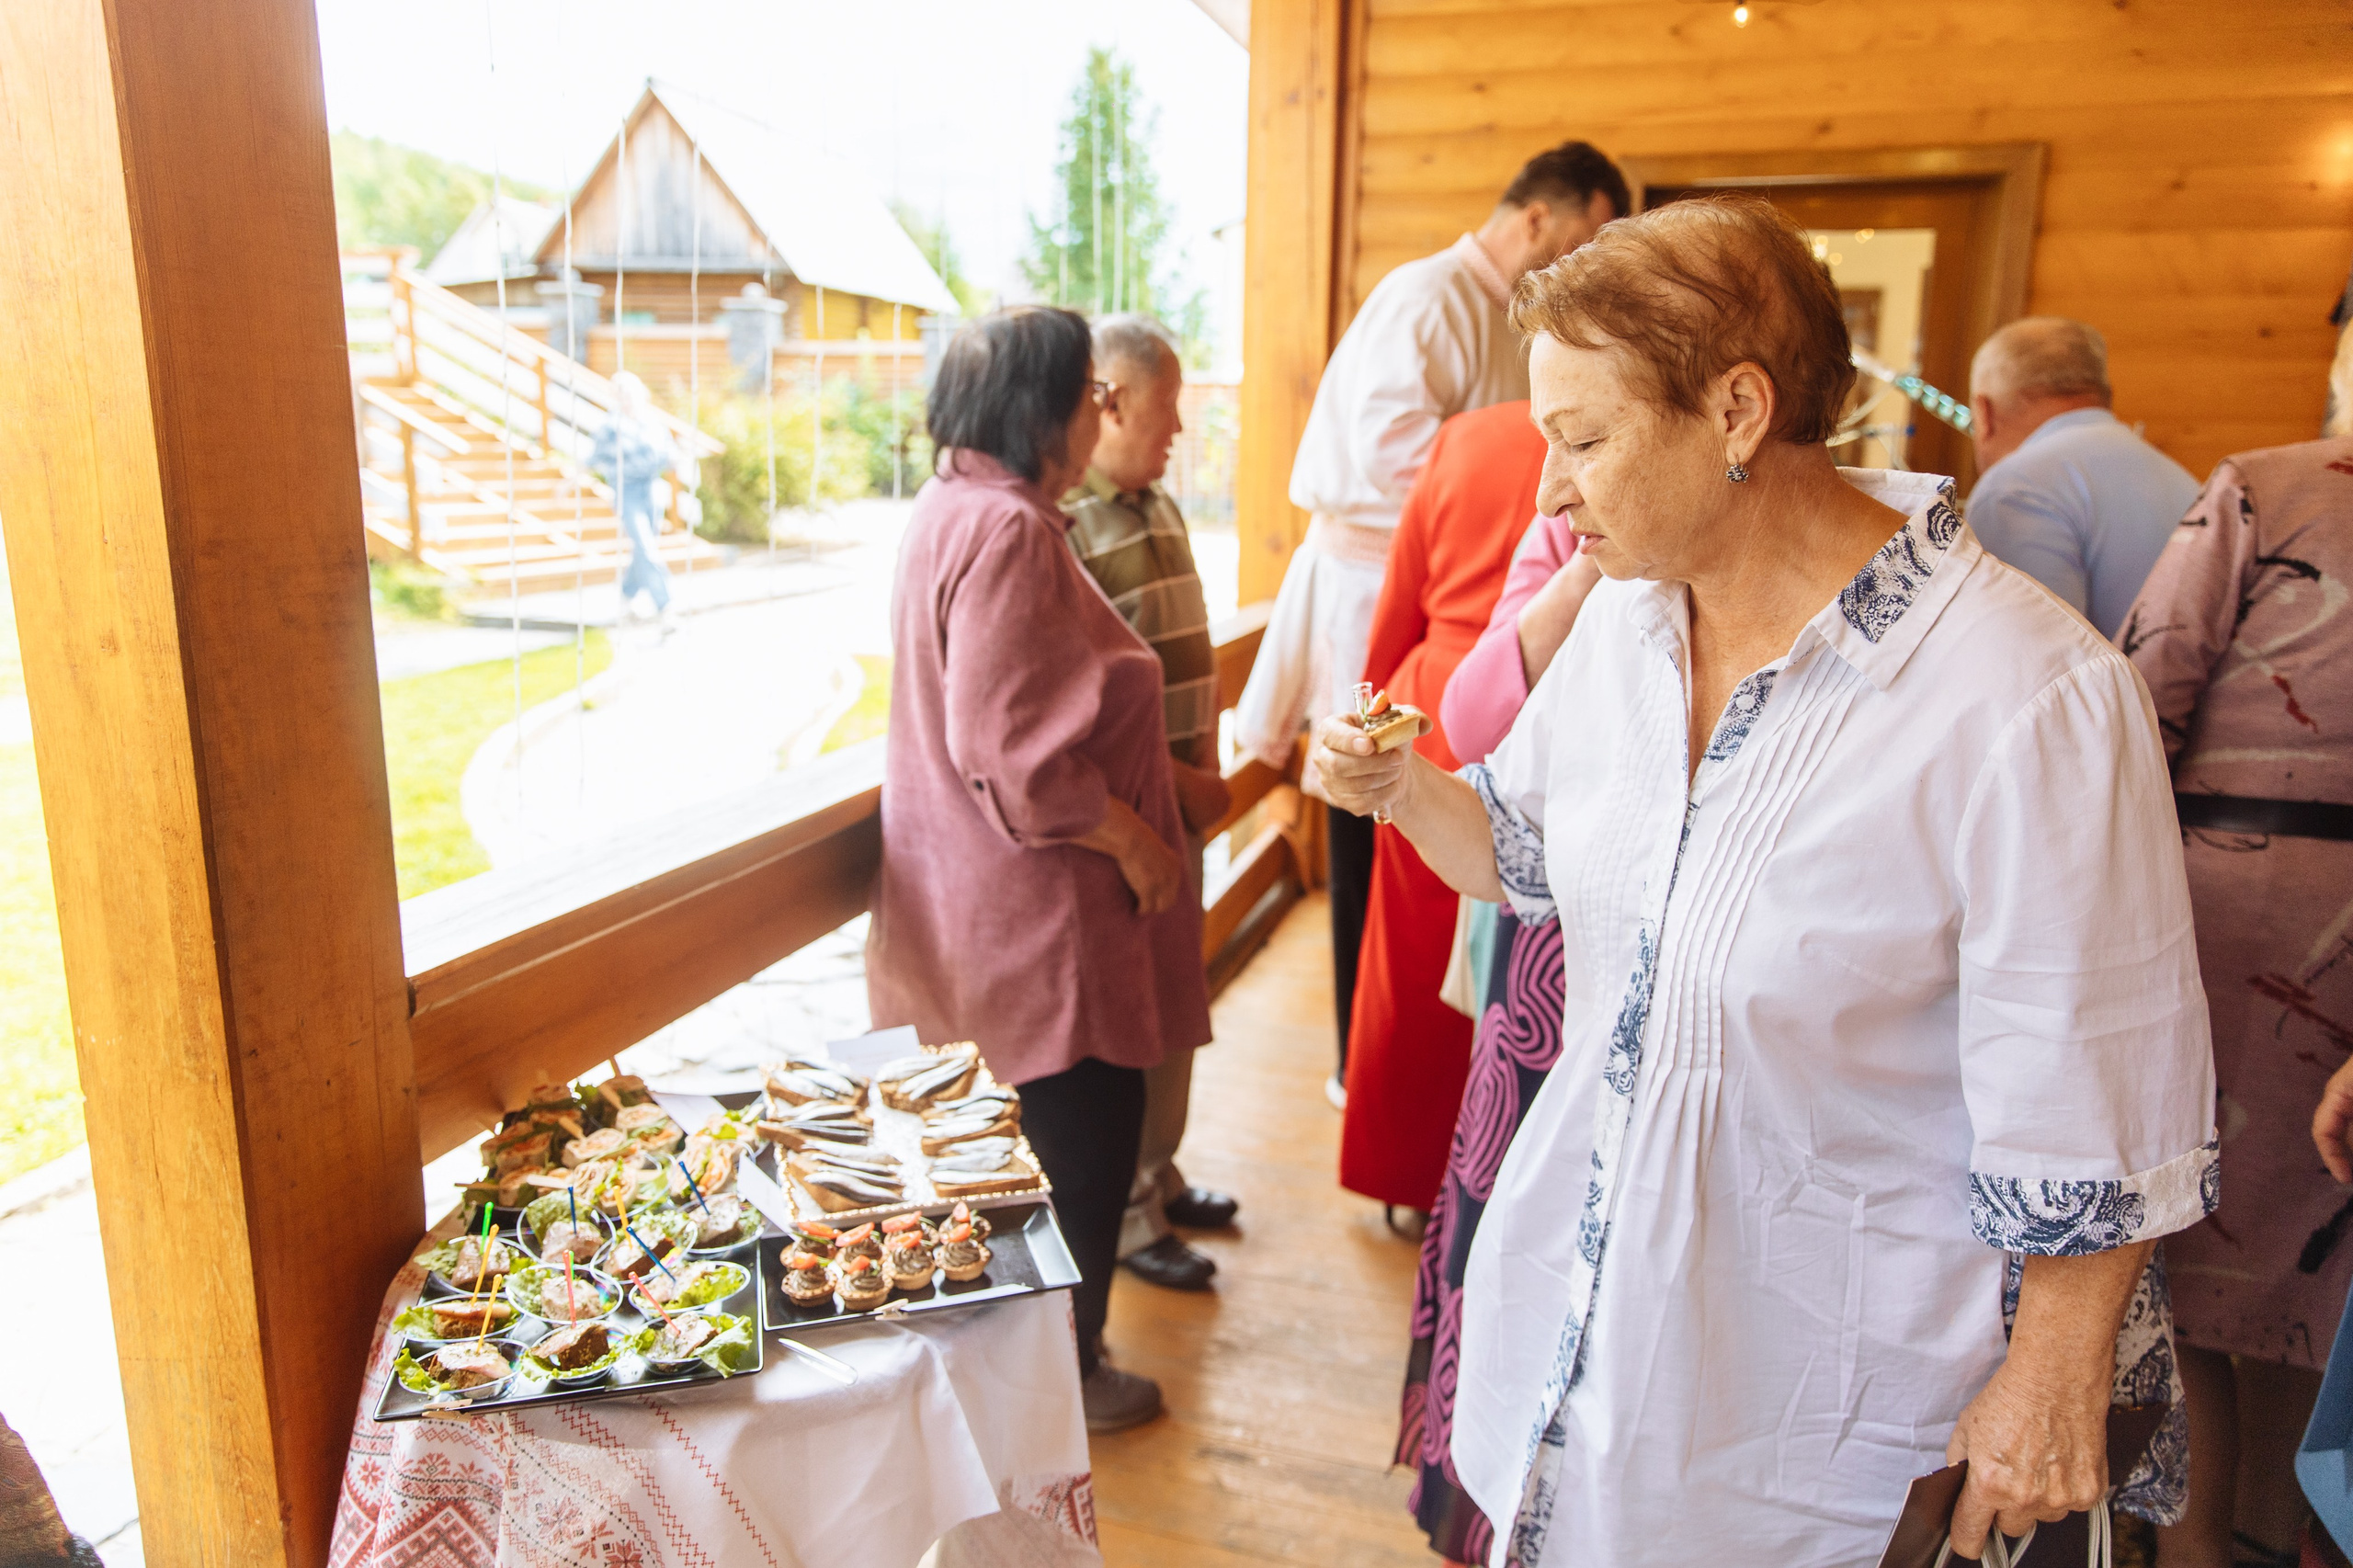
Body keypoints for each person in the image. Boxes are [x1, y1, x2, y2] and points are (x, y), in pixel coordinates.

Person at [1307, 194, 2218, 1564]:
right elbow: (1527, 853)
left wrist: (2051, 1379)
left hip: (1819, 1414)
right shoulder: (1624, 624)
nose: (1548, 491)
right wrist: (1401, 785)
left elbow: (2099, 1104)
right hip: (1584, 1349)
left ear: (1736, 410)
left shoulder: (2029, 697)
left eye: (1584, 441)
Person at [866, 306, 1211, 1435]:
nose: (1099, 418)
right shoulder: (1008, 531)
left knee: (1026, 1153)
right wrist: (1133, 836)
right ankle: (1064, 1376)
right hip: (1035, 916)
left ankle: (1026, 1374)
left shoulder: (952, 504)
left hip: (969, 896)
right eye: (1090, 398)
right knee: (1082, 1145)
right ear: (1045, 411)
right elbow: (1014, 754)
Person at [1233, 141, 1629, 1106]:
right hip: (1384, 576)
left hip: (1469, 570)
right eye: (1589, 234)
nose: (1592, 257)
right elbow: (1389, 450)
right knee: (1365, 799)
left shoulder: (1505, 314)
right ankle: (1355, 1053)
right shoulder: (1427, 296)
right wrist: (1501, 466)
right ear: (1538, 217)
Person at [2120, 385, 2353, 1566]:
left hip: (2235, 924)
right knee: (2327, 1286)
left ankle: (2195, 1548)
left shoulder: (2267, 486)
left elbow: (2139, 697)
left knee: (2182, 1267)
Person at [1398, 506, 1602, 1567]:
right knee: (1515, 1220)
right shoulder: (1567, 539)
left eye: (1586, 439)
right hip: (1550, 957)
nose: (1558, 482)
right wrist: (1582, 575)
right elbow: (1470, 717)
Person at [1059, 313, 1242, 1295]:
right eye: (1166, 409)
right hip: (1132, 813)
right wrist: (1184, 785)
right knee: (1135, 1015)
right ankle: (1129, 1213)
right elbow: (1087, 708)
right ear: (1114, 400)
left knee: (1179, 1001)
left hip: (1185, 800)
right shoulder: (1066, 523)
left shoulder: (1158, 504)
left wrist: (1204, 767)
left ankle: (1158, 1173)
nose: (1177, 430)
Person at [1340, 402, 1545, 1221]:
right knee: (1512, 965)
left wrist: (1373, 715)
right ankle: (1492, 1175)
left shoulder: (1465, 437)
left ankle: (1403, 1174)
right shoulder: (1624, 426)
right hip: (1539, 701)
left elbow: (1401, 595)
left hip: (1429, 706)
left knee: (1409, 963)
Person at [1964, 316, 2200, 637]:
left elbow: (2031, 650)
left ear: (1984, 413)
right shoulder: (2183, 480)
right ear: (2102, 393)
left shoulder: (2014, 487)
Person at [588, 369, 685, 626]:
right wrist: (569, 483)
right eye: (620, 393)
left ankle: (627, 596)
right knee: (645, 546)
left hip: (651, 488)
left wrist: (675, 458)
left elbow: (668, 451)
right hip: (626, 490)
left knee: (646, 548)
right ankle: (666, 607)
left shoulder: (652, 423)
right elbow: (593, 458)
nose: (626, 398)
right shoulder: (610, 427)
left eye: (629, 392)